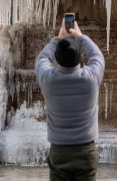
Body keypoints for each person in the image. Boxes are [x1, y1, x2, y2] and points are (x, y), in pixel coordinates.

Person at [36, 20, 105, 181]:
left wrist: (58, 39)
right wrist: (81, 37)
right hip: (85, 150)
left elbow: (41, 59)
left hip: (59, 151)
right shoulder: (90, 79)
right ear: (80, 58)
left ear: (57, 59)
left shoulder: (48, 80)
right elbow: (97, 56)